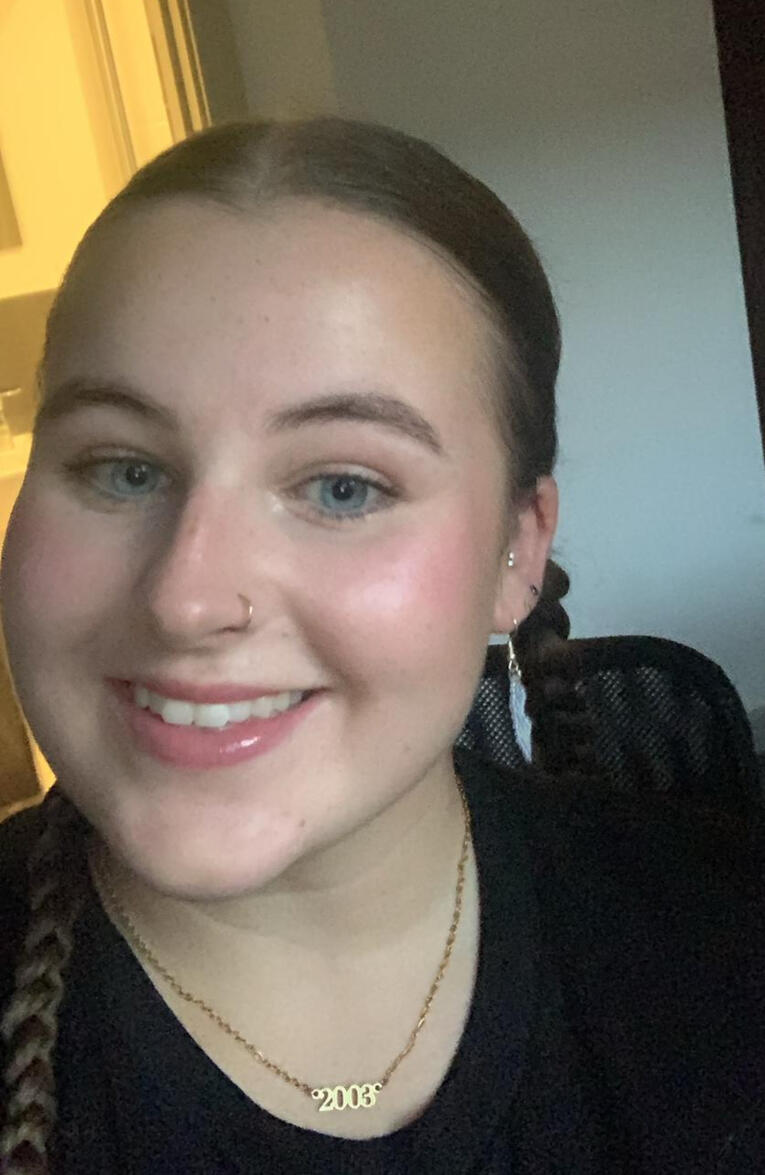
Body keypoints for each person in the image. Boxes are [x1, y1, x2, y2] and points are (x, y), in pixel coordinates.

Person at [0, 117, 763, 1174]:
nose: (185, 598)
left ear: (516, 548)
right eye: (122, 469)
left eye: (342, 487)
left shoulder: (730, 946)